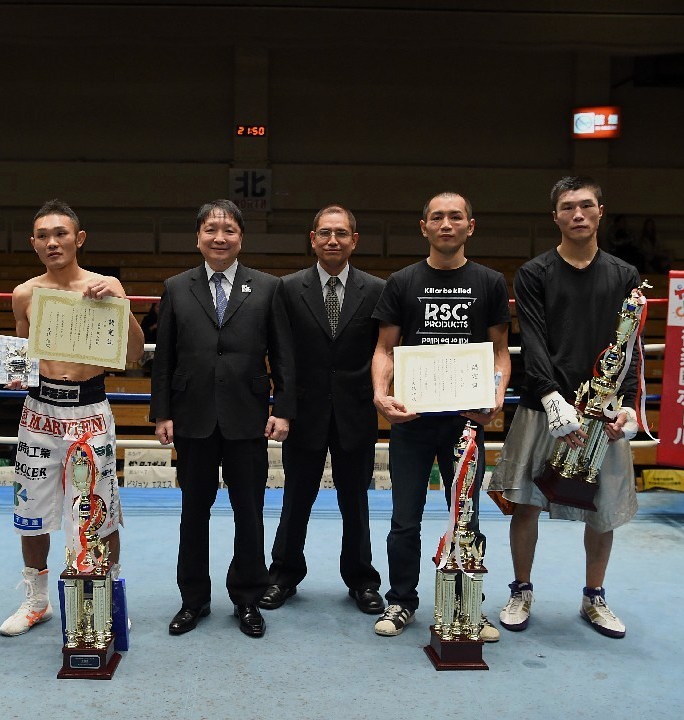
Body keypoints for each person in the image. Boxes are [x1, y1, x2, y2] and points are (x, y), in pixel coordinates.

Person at [489, 176, 641, 639]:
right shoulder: (535, 273)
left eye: (586, 206)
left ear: (600, 211)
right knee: (525, 501)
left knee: (604, 508)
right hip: (543, 406)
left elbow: (629, 345)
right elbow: (531, 339)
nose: (578, 214)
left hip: (604, 411)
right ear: (555, 215)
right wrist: (553, 397)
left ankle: (594, 597)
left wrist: (632, 406)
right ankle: (520, 590)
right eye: (568, 207)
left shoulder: (625, 276)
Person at [150, 199, 295, 638]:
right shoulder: (176, 287)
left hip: (247, 417)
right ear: (197, 237)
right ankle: (193, 600)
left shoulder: (268, 287)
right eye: (211, 229)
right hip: (191, 417)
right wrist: (162, 413)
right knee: (193, 514)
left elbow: (283, 355)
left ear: (240, 238)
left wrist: (283, 408)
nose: (219, 237)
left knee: (248, 513)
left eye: (228, 230)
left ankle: (248, 599)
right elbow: (164, 357)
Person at [0, 200, 144, 637]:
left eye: (60, 233)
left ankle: (110, 593)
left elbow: (135, 356)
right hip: (39, 411)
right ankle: (36, 599)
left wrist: (123, 304)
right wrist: (11, 374)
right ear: (33, 243)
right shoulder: (24, 294)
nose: (51, 242)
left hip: (90, 410)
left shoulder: (105, 286)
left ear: (78, 239)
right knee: (31, 509)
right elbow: (21, 358)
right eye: (42, 235)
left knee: (100, 511)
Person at [371, 192, 510, 641]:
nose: (446, 224)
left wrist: (497, 394)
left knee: (466, 519)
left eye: (455, 217)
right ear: (423, 226)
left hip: (466, 422)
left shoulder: (490, 282)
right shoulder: (401, 281)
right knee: (404, 518)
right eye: (437, 217)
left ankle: (470, 605)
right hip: (412, 421)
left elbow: (501, 355)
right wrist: (379, 394)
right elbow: (384, 350)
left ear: (472, 225)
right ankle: (401, 600)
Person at [259, 205, 385, 615]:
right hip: (304, 413)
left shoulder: (377, 289)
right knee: (296, 498)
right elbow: (283, 356)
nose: (334, 240)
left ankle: (362, 580)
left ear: (354, 240)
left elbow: (383, 353)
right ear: (312, 238)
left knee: (356, 502)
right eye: (326, 233)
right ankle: (282, 576)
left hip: (356, 411)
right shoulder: (288, 288)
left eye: (342, 234)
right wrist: (284, 408)